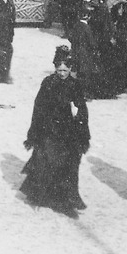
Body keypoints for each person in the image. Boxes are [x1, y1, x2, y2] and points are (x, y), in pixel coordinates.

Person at [20, 45, 90, 217]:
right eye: (59, 70)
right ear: (55, 68)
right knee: (47, 162)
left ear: (71, 69)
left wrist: (80, 123)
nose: (62, 73)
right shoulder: (48, 83)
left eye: (66, 70)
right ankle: (44, 197)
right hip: (50, 129)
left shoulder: (75, 85)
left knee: (70, 165)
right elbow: (38, 107)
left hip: (69, 131)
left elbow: (82, 109)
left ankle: (66, 199)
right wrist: (34, 132)